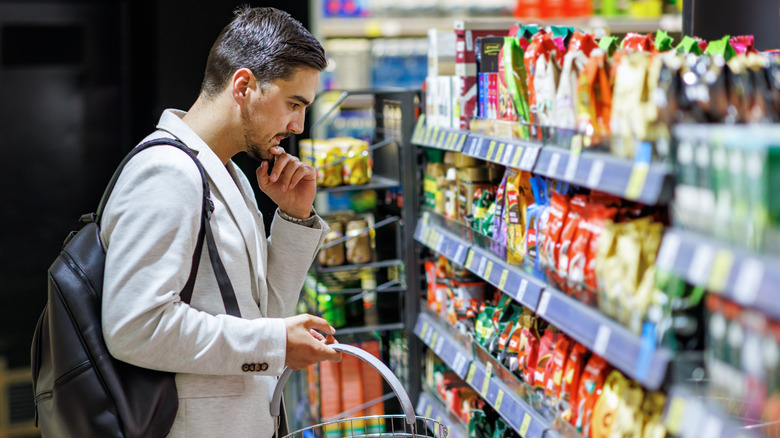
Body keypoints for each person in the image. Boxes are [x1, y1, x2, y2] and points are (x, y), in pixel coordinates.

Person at [99, 6, 341, 437]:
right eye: (293, 103)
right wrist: (275, 344)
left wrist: (293, 218)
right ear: (244, 85)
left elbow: (263, 313)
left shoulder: (224, 171)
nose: (298, 125)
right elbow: (134, 326)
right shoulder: (168, 174)